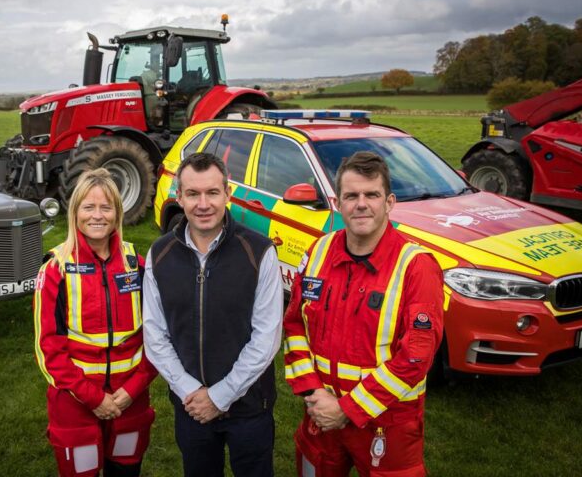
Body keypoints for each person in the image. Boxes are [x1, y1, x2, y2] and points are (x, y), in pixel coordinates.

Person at [283, 151, 444, 477]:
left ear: (389, 202)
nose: (361, 204)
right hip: (321, 413)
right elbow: (293, 324)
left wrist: (348, 409)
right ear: (338, 202)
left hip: (387, 422)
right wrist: (313, 391)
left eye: (372, 194)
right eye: (351, 195)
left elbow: (416, 355)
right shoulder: (318, 252)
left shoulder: (416, 266)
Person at [142, 152, 283, 477]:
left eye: (212, 193)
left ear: (227, 194)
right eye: (193, 193)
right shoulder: (159, 255)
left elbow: (267, 337)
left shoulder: (260, 252)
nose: (202, 204)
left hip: (249, 407)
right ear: (179, 196)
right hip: (190, 407)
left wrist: (220, 396)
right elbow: (155, 334)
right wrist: (191, 392)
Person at [33, 168, 157, 477]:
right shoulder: (55, 269)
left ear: (117, 213)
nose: (97, 216)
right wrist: (94, 398)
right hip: (75, 406)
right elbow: (49, 349)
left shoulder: (137, 265)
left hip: (131, 401)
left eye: (106, 207)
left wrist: (134, 388)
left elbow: (158, 337)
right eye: (89, 207)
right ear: (75, 213)